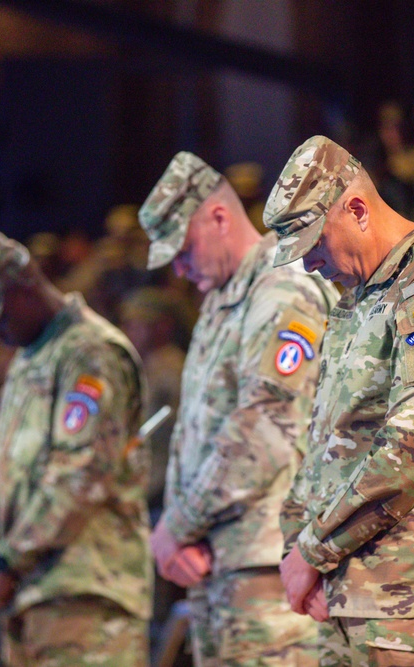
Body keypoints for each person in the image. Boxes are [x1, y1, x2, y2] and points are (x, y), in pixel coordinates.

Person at [269, 135, 414, 667]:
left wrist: (312, 549)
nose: (310, 266)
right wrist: (298, 543)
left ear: (356, 209)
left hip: (413, 600)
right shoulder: (360, 298)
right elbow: (328, 439)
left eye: (314, 244)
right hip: (345, 593)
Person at [138, 151, 337, 666]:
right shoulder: (223, 297)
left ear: (219, 217)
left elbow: (264, 427)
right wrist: (184, 534)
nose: (180, 269)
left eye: (183, 249)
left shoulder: (280, 290)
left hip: (270, 572)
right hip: (227, 568)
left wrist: (179, 523)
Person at [0, 230, 151, 666]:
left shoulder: (90, 351)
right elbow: (12, 477)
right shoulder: (28, 359)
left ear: (24, 287)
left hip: (86, 598)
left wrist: (5, 562)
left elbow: (79, 475)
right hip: (34, 596)